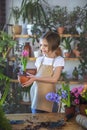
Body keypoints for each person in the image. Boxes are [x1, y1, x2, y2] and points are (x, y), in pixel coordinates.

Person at [22, 31, 64, 113]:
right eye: (41, 45)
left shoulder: (58, 60)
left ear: (54, 46)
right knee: (36, 123)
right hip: (36, 97)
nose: (42, 48)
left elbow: (54, 79)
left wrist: (35, 78)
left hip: (49, 100)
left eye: (45, 45)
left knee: (49, 123)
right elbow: (38, 78)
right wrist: (29, 80)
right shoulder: (40, 59)